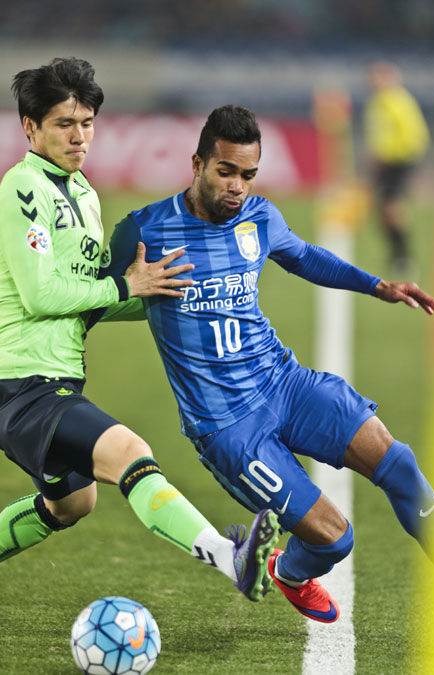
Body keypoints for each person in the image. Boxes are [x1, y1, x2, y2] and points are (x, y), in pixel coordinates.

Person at [93, 103, 434, 624]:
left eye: (248, 175)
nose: (238, 186)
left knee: (400, 465)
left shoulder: (260, 218)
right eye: (226, 172)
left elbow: (305, 256)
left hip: (285, 383)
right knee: (335, 539)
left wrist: (379, 286)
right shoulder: (144, 230)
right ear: (196, 164)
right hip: (229, 427)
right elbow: (95, 298)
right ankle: (289, 572)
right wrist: (127, 290)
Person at [0, 59, 281, 606]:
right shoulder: (23, 188)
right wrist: (128, 288)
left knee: (71, 506)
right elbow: (42, 297)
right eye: (63, 123)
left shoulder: (81, 193)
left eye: (87, 122)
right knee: (129, 451)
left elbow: (89, 300)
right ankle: (233, 559)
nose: (79, 136)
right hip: (20, 381)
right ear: (31, 128)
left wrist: (167, 291)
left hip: (54, 378)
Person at [364, 61, 430, 273]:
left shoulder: (395, 100)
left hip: (398, 160)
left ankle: (403, 257)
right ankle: (397, 256)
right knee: (384, 209)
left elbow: (410, 136)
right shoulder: (380, 101)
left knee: (391, 207)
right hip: (391, 161)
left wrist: (386, 159)